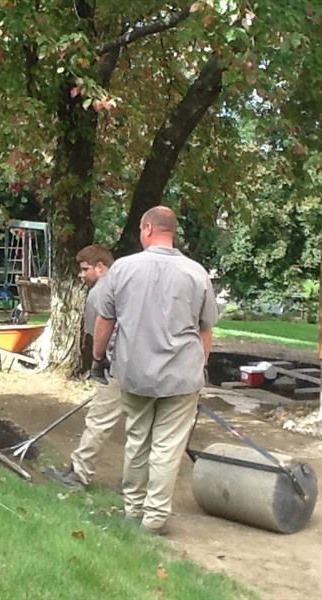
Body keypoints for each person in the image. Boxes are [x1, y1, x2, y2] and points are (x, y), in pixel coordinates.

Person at [92, 206, 218, 535]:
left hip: (135, 372)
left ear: (147, 228)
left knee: (137, 440)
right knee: (167, 446)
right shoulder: (196, 273)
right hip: (181, 377)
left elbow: (105, 319)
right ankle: (155, 516)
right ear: (171, 232)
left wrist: (97, 358)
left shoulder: (122, 269)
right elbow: (206, 329)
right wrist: (201, 367)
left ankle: (133, 509)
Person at [46, 244, 122, 491]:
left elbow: (97, 334)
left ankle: (80, 474)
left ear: (101, 267)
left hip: (116, 366)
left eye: (85, 269)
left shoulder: (100, 292)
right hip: (144, 367)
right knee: (142, 427)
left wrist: (98, 363)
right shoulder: (127, 285)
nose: (81, 275)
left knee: (99, 419)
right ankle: (136, 483)